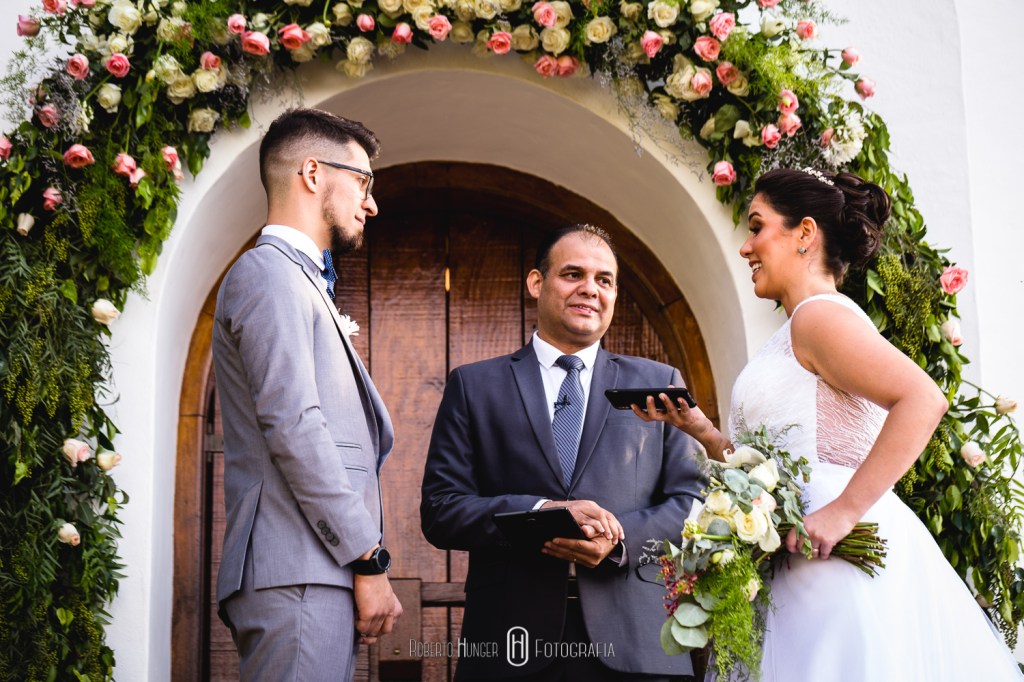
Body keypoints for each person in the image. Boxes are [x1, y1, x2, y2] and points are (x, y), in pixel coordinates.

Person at [634, 167, 1023, 680]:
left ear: (805, 233)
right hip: (795, 553)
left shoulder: (820, 317)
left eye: (756, 227)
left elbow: (922, 399)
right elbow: (771, 467)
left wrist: (843, 512)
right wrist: (703, 431)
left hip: (832, 556)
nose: (746, 248)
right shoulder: (794, 330)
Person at [421, 223, 704, 681]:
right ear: (537, 282)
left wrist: (617, 540)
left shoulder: (658, 382)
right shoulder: (474, 387)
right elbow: (440, 510)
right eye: (573, 274)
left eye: (604, 280)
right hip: (510, 642)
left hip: (636, 643)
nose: (590, 290)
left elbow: (693, 503)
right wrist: (540, 512)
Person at [212, 108, 402, 681]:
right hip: (297, 570)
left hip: (312, 570)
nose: (371, 204)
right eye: (364, 182)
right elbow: (295, 427)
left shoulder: (295, 279)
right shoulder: (268, 274)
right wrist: (367, 556)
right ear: (313, 173)